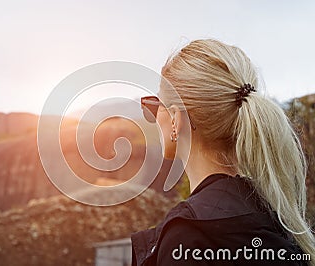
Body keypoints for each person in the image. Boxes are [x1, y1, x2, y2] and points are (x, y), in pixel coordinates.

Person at [132, 39, 315, 265]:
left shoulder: (189, 237)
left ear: (175, 120)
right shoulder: (277, 219)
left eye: (154, 106)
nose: (152, 117)